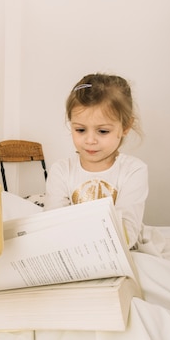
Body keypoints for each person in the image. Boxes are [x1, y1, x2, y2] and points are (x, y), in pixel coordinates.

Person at [44, 73, 148, 249]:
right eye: (80, 130)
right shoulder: (61, 170)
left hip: (118, 251)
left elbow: (127, 232)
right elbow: (53, 223)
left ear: (125, 127)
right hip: (72, 250)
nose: (90, 140)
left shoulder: (133, 170)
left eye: (102, 131)